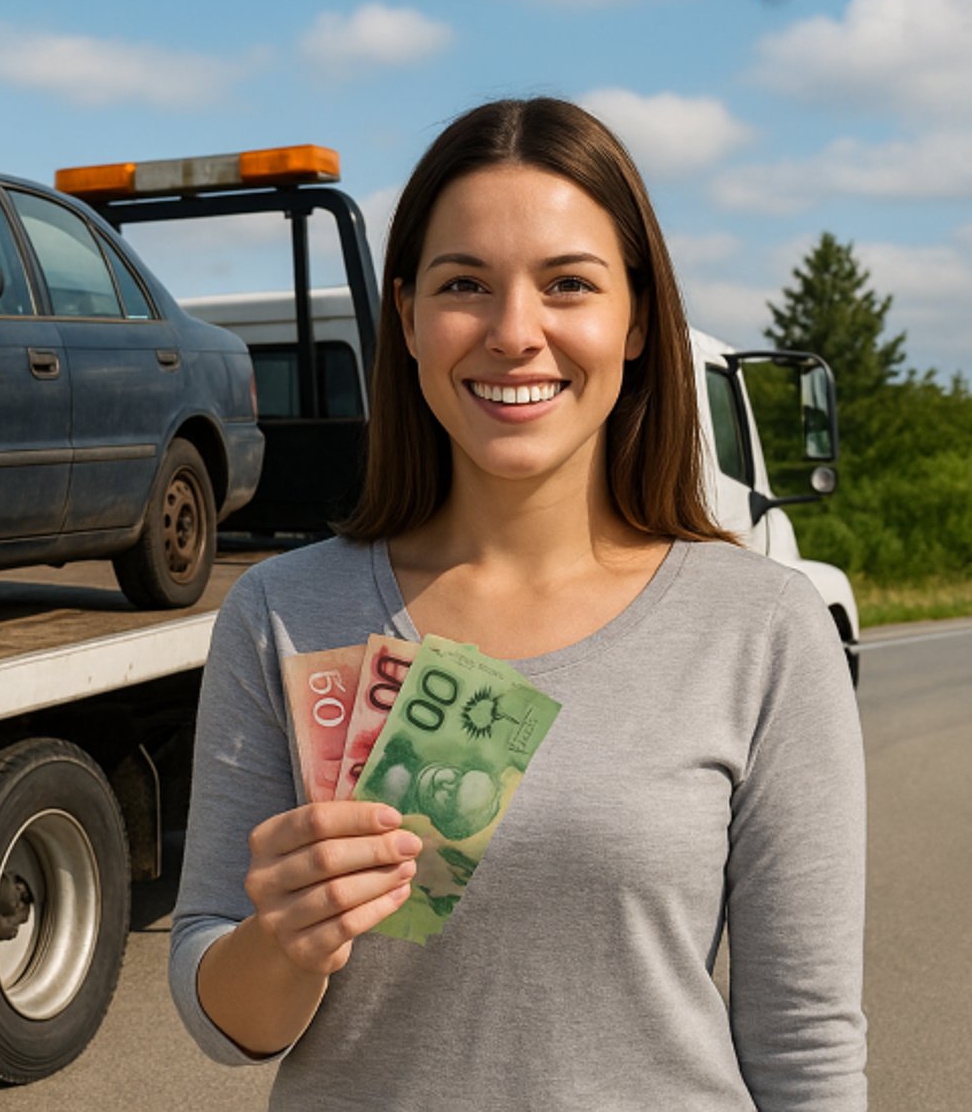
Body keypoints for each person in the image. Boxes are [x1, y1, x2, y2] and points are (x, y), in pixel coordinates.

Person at [168, 97, 866, 1109]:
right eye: (465, 286)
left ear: (636, 321)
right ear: (405, 318)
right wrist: (283, 939)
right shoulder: (284, 610)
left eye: (568, 284)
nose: (513, 332)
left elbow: (808, 1043)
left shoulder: (764, 631)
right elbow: (228, 1024)